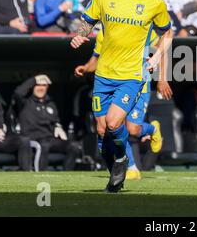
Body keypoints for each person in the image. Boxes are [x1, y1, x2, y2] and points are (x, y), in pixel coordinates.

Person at [70, 0, 173, 193]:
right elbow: (87, 21)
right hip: (104, 75)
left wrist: (158, 56)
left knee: (117, 124)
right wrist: (80, 36)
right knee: (102, 130)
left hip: (132, 75)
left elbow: (167, 32)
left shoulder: (153, 2)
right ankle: (115, 172)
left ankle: (122, 160)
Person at [74, 29, 172, 179]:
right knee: (109, 126)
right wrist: (86, 68)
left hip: (139, 83)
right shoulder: (103, 34)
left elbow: (161, 50)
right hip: (112, 85)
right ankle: (131, 167)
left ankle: (152, 129)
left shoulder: (141, 27)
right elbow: (96, 59)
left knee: (132, 129)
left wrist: (162, 79)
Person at [13, 74, 80, 171]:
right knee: (44, 145)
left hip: (49, 138)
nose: (41, 88)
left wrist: (58, 126)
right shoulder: (25, 102)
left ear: (47, 87)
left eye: (44, 85)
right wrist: (34, 79)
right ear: (33, 87)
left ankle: (67, 174)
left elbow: (56, 120)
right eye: (38, 85)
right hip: (32, 138)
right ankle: (41, 173)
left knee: (74, 146)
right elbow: (18, 92)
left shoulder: (51, 103)